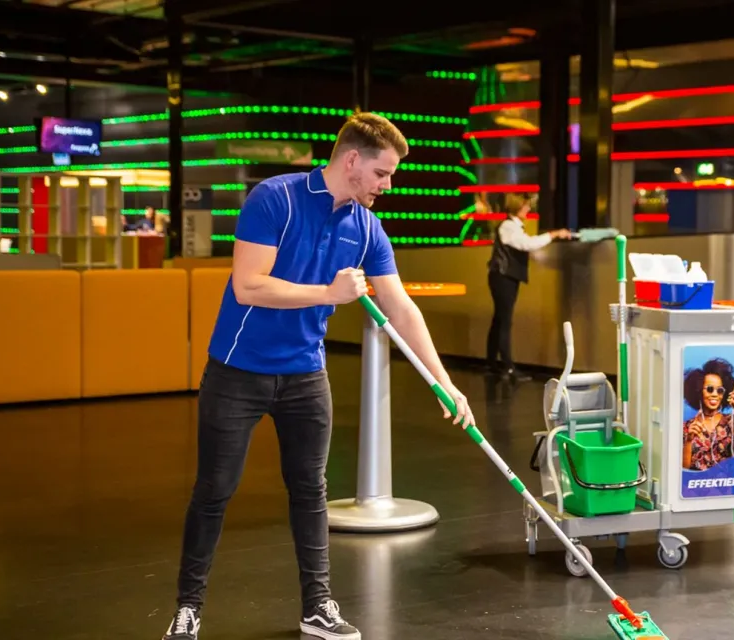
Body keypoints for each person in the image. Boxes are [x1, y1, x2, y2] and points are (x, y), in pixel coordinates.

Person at [161, 111, 475, 640]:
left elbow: (400, 309)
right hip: (238, 371)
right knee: (214, 489)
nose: (388, 185)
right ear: (352, 160)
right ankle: (188, 610)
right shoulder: (274, 199)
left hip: (305, 375)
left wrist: (442, 380)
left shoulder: (366, 226)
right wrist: (330, 294)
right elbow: (248, 287)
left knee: (310, 490)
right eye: (383, 173)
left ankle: (318, 607)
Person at [485, 193, 571, 380]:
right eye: (525, 206)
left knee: (499, 319)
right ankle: (508, 367)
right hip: (503, 277)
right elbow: (527, 244)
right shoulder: (508, 226)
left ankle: (492, 364)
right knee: (504, 320)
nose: (528, 209)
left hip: (503, 277)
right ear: (517, 207)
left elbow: (527, 247)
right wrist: (553, 234)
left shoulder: (513, 227)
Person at [682, 358, 734, 470]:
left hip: (727, 485)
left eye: (720, 390)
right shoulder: (688, 427)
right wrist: (688, 441)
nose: (715, 394)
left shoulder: (732, 422)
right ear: (699, 390)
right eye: (710, 389)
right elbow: (684, 469)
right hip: (697, 485)